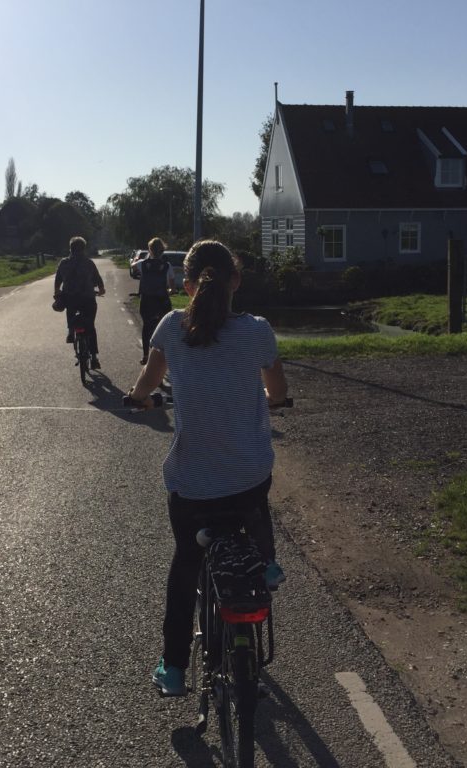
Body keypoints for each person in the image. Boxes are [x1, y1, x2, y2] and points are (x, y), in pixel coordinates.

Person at [126, 239, 289, 697]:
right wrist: (271, 400)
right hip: (247, 481)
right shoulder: (258, 331)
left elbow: (146, 385)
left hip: (193, 488)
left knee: (185, 566)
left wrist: (139, 401)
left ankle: (174, 669)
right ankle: (268, 562)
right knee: (254, 488)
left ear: (186, 283)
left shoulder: (171, 327)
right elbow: (276, 392)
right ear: (235, 280)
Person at [53, 236, 106, 369]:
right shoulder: (89, 263)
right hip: (88, 298)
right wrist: (101, 290)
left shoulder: (64, 263)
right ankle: (94, 358)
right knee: (90, 327)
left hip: (70, 298)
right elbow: (98, 279)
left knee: (70, 307)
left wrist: (57, 291)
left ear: (70, 248)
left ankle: (71, 331)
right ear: (84, 249)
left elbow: (58, 279)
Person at [135, 237, 177, 364]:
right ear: (163, 250)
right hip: (162, 301)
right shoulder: (167, 266)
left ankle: (145, 355)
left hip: (147, 301)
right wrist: (169, 292)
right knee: (164, 328)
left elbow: (133, 267)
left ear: (149, 250)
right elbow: (173, 288)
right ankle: (164, 356)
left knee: (146, 327)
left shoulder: (142, 264)